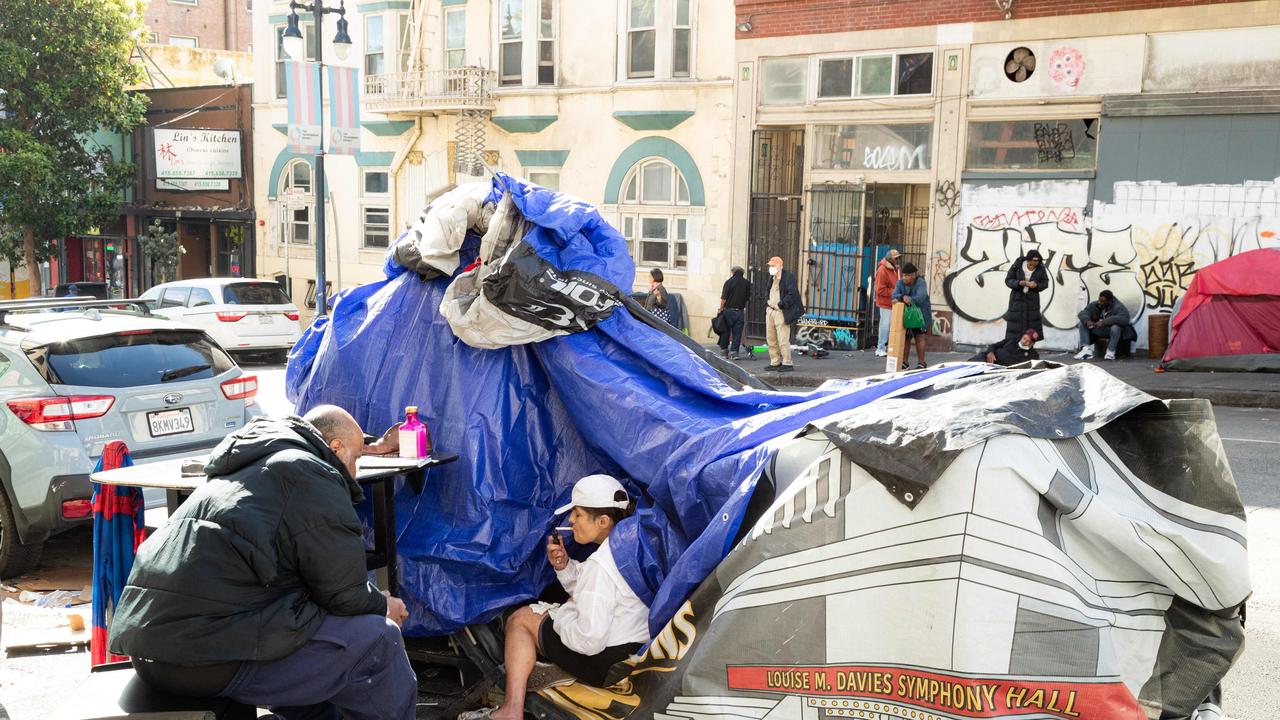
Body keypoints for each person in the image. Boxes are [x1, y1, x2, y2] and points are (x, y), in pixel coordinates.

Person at [108, 406, 417, 720]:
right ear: (335, 448)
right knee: (379, 639)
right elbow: (345, 595)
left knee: (308, 625)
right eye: (356, 458)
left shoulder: (246, 467)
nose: (354, 471)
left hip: (152, 655)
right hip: (200, 658)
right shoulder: (309, 472)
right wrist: (382, 605)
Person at [463, 475, 648, 720]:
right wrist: (565, 567)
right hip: (632, 652)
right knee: (551, 611)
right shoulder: (631, 543)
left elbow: (588, 640)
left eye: (578, 514)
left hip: (604, 663)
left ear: (603, 520)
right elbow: (596, 591)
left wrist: (561, 614)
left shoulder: (600, 565)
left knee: (521, 619)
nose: (571, 521)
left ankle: (511, 710)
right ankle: (555, 668)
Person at [764, 256, 804, 372]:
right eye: (770, 266)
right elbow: (767, 291)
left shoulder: (788, 277)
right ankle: (775, 361)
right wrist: (767, 301)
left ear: (780, 266)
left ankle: (787, 363)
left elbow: (792, 294)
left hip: (781, 312)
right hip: (770, 311)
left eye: (773, 265)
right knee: (771, 338)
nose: (771, 268)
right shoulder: (772, 278)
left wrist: (781, 304)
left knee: (782, 339)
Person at [1074, 289, 1137, 360]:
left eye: (1103, 301)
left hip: (1114, 332)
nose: (1100, 303)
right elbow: (1083, 313)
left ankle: (1110, 352)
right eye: (1099, 300)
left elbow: (1125, 319)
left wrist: (1104, 322)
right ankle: (1086, 350)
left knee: (1115, 327)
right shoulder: (1096, 304)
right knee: (1083, 323)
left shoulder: (1118, 306)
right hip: (1102, 330)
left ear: (1109, 301)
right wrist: (1087, 321)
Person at [891, 262, 932, 370]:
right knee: (906, 338)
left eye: (907, 275)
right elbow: (894, 295)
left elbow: (921, 297)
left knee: (920, 337)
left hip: (920, 314)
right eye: (903, 275)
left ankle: (921, 363)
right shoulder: (900, 283)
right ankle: (904, 362)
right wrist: (902, 296)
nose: (904, 277)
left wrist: (910, 299)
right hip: (906, 314)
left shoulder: (920, 283)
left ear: (913, 275)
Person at [1003, 249, 1048, 342]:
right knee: (1015, 327)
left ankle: (1028, 350)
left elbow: (1045, 283)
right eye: (1035, 260)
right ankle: (1013, 348)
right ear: (1028, 260)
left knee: (1031, 327)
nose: (1037, 262)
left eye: (1038, 260)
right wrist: (1019, 283)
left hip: (1032, 302)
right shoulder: (1017, 266)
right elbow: (1008, 280)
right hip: (1017, 300)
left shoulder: (1041, 268)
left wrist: (1036, 285)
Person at [718, 266, 751, 360]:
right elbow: (747, 298)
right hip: (739, 311)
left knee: (725, 332)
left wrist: (720, 309)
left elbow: (723, 297)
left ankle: (724, 351)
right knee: (737, 333)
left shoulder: (728, 282)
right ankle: (734, 352)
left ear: (733, 272)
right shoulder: (747, 283)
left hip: (728, 311)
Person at [873, 250, 902, 357]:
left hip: (892, 301)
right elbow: (880, 290)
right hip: (886, 302)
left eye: (898, 258)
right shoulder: (882, 270)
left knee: (888, 325)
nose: (898, 260)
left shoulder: (894, 269)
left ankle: (885, 347)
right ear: (890, 259)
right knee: (885, 325)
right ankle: (880, 348)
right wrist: (895, 291)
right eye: (896, 258)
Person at [973, 329, 1041, 366]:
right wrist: (990, 352)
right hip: (987, 358)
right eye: (1024, 338)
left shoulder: (1033, 355)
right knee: (971, 363)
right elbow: (994, 346)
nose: (1024, 341)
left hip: (998, 368)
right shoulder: (1012, 340)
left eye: (1027, 341)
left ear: (1032, 344)